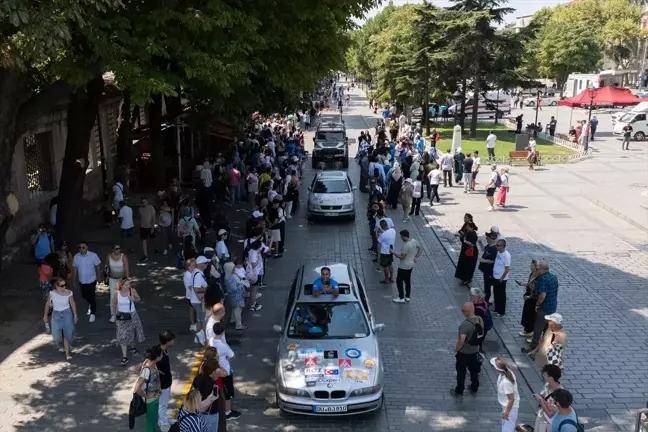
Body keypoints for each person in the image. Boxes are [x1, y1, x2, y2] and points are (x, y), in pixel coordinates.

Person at [209, 322, 242, 420]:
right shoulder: (223, 346)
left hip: (215, 370)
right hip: (225, 371)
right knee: (228, 392)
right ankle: (228, 412)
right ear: (223, 332)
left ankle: (220, 408)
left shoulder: (211, 341)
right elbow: (232, 355)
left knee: (219, 390)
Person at [451, 302, 483, 396]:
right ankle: (474, 387)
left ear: (468, 312)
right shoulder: (480, 319)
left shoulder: (465, 325)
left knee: (461, 371)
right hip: (475, 351)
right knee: (474, 371)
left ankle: (459, 389)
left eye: (463, 310)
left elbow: (461, 340)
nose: (462, 312)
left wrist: (457, 349)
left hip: (464, 353)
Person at [43, 279, 77, 361]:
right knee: (56, 335)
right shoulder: (52, 293)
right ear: (57, 286)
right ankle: (60, 344)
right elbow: (48, 304)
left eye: (65, 285)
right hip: (56, 314)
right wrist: (45, 316)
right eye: (62, 286)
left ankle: (67, 351)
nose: (64, 287)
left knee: (68, 333)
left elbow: (72, 303)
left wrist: (75, 315)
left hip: (66, 313)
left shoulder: (69, 292)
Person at [113, 278, 145, 365]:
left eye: (129, 284)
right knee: (122, 335)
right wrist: (114, 314)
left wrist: (134, 299)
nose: (128, 286)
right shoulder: (117, 293)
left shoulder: (132, 291)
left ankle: (133, 347)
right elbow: (115, 303)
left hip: (132, 314)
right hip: (121, 315)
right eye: (126, 285)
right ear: (121, 285)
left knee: (133, 332)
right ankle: (124, 357)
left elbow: (139, 299)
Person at [133, 345, 163, 432]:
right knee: (151, 424)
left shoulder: (150, 362)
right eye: (161, 354)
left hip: (155, 397)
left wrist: (157, 372)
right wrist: (146, 396)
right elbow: (137, 388)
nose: (162, 355)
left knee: (153, 422)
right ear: (157, 358)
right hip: (151, 401)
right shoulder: (147, 369)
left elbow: (136, 368)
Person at [192, 358, 228, 430]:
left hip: (198, 414)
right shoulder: (213, 385)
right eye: (216, 371)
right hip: (210, 415)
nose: (218, 374)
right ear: (212, 372)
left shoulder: (198, 378)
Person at [530, 261, 559, 348]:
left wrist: (537, 305)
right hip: (552, 307)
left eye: (538, 268)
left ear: (543, 269)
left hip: (544, 308)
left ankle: (534, 346)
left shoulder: (543, 279)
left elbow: (542, 295)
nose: (537, 270)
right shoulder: (554, 277)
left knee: (538, 328)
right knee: (547, 329)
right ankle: (546, 345)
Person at [72, 241, 101, 323]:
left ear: (87, 248)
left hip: (91, 280)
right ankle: (91, 304)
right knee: (84, 295)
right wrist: (73, 280)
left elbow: (98, 266)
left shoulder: (93, 255)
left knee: (92, 296)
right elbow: (75, 268)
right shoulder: (76, 257)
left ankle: (93, 313)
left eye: (83, 247)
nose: (81, 249)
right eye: (80, 247)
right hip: (82, 280)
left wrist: (99, 277)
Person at [391, 229, 422, 303]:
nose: (401, 238)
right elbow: (420, 248)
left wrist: (393, 253)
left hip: (403, 266)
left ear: (404, 236)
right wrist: (416, 257)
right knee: (408, 281)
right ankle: (407, 296)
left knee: (399, 281)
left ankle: (401, 297)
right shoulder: (414, 241)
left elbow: (402, 257)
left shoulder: (406, 246)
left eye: (401, 236)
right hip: (411, 265)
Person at [490, 357, 520, 432]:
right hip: (507, 407)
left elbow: (511, 399)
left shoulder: (506, 382)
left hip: (510, 409)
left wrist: (506, 413)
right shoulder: (506, 372)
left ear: (497, 369)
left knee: (507, 429)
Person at [533, 364, 563, 432]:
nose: (543, 375)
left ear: (551, 377)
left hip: (549, 424)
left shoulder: (560, 393)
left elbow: (550, 414)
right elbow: (543, 395)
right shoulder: (547, 385)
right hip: (542, 418)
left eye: (545, 374)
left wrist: (541, 400)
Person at [157, 331, 176, 432]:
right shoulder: (160, 353)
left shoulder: (162, 350)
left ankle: (163, 419)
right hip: (163, 383)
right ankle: (163, 423)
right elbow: (150, 364)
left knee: (163, 402)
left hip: (166, 381)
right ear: (168, 341)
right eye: (172, 340)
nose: (173, 341)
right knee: (162, 404)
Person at [106, 245, 129, 323]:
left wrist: (126, 279)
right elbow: (106, 267)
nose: (118, 250)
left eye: (119, 248)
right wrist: (105, 277)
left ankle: (121, 313)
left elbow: (126, 268)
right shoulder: (109, 256)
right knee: (113, 296)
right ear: (113, 249)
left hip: (121, 280)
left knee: (122, 297)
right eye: (116, 248)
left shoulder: (123, 256)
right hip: (112, 279)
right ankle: (113, 315)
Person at [190, 256, 211, 345]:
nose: (207, 265)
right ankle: (200, 337)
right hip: (199, 301)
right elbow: (197, 289)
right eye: (205, 263)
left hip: (196, 300)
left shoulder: (196, 272)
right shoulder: (198, 275)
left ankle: (197, 337)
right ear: (200, 264)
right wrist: (208, 289)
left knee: (200, 319)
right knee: (201, 320)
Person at [224, 260, 249, 330]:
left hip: (234, 296)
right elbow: (234, 288)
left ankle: (232, 319)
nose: (234, 269)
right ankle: (239, 325)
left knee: (234, 308)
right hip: (236, 296)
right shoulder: (229, 278)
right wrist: (241, 285)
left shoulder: (228, 276)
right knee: (238, 309)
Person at [517, 260, 539, 338]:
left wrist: (529, 296)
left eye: (533, 266)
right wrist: (523, 284)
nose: (531, 267)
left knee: (531, 315)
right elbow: (530, 284)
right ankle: (527, 329)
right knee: (526, 314)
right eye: (531, 266)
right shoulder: (531, 274)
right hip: (528, 296)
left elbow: (536, 291)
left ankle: (530, 330)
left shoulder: (538, 277)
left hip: (533, 298)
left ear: (536, 267)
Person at [455, 221, 478, 285]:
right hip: (465, 250)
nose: (466, 228)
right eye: (466, 226)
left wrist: (465, 241)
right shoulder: (467, 232)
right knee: (464, 264)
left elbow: (472, 244)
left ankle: (467, 279)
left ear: (472, 228)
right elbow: (463, 236)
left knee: (469, 266)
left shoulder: (474, 235)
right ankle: (463, 277)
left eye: (468, 227)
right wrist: (459, 235)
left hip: (471, 252)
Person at [470, 288, 492, 356]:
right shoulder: (483, 302)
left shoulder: (478, 309)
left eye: (472, 296)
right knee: (480, 338)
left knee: (478, 338)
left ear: (477, 297)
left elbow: (476, 322)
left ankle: (479, 351)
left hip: (483, 326)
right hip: (488, 323)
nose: (471, 297)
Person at [478, 231, 498, 305]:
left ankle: (488, 300)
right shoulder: (489, 245)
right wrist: (480, 243)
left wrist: (484, 260)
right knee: (486, 285)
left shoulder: (494, 249)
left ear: (491, 238)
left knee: (489, 285)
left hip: (490, 271)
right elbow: (484, 249)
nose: (486, 238)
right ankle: (486, 297)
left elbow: (493, 261)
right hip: (485, 270)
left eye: (487, 237)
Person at [492, 239, 511, 317]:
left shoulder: (506, 255)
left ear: (503, 246)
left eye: (498, 245)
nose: (497, 247)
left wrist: (501, 278)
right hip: (495, 276)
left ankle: (501, 311)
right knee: (496, 293)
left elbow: (507, 269)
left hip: (501, 279)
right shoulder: (498, 252)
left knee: (501, 295)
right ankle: (497, 308)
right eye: (497, 245)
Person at [377, 219, 396, 284]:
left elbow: (378, 240)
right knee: (390, 264)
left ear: (382, 226)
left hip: (384, 252)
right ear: (387, 224)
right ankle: (391, 278)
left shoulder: (383, 235)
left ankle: (386, 279)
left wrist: (376, 232)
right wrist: (382, 231)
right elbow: (386, 233)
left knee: (385, 266)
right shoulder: (393, 231)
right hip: (391, 251)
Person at [139, 197, 157, 261]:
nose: (143, 203)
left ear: (147, 202)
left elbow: (154, 218)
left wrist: (152, 228)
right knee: (144, 241)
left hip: (150, 226)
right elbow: (140, 218)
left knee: (153, 239)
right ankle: (145, 255)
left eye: (144, 202)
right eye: (142, 202)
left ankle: (156, 248)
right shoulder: (140, 209)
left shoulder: (151, 208)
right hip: (143, 227)